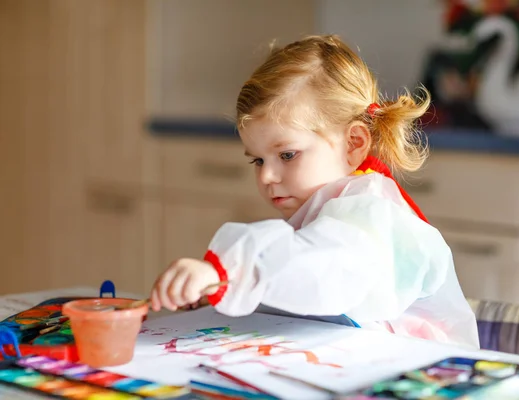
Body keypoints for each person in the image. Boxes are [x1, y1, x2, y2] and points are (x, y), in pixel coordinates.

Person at [150, 35, 479, 348]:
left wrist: (228, 270)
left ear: (353, 143)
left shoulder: (369, 210)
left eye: (287, 155)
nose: (266, 175)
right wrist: (222, 291)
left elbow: (325, 270)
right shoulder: (326, 203)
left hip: (424, 372)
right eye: (257, 159)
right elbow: (303, 292)